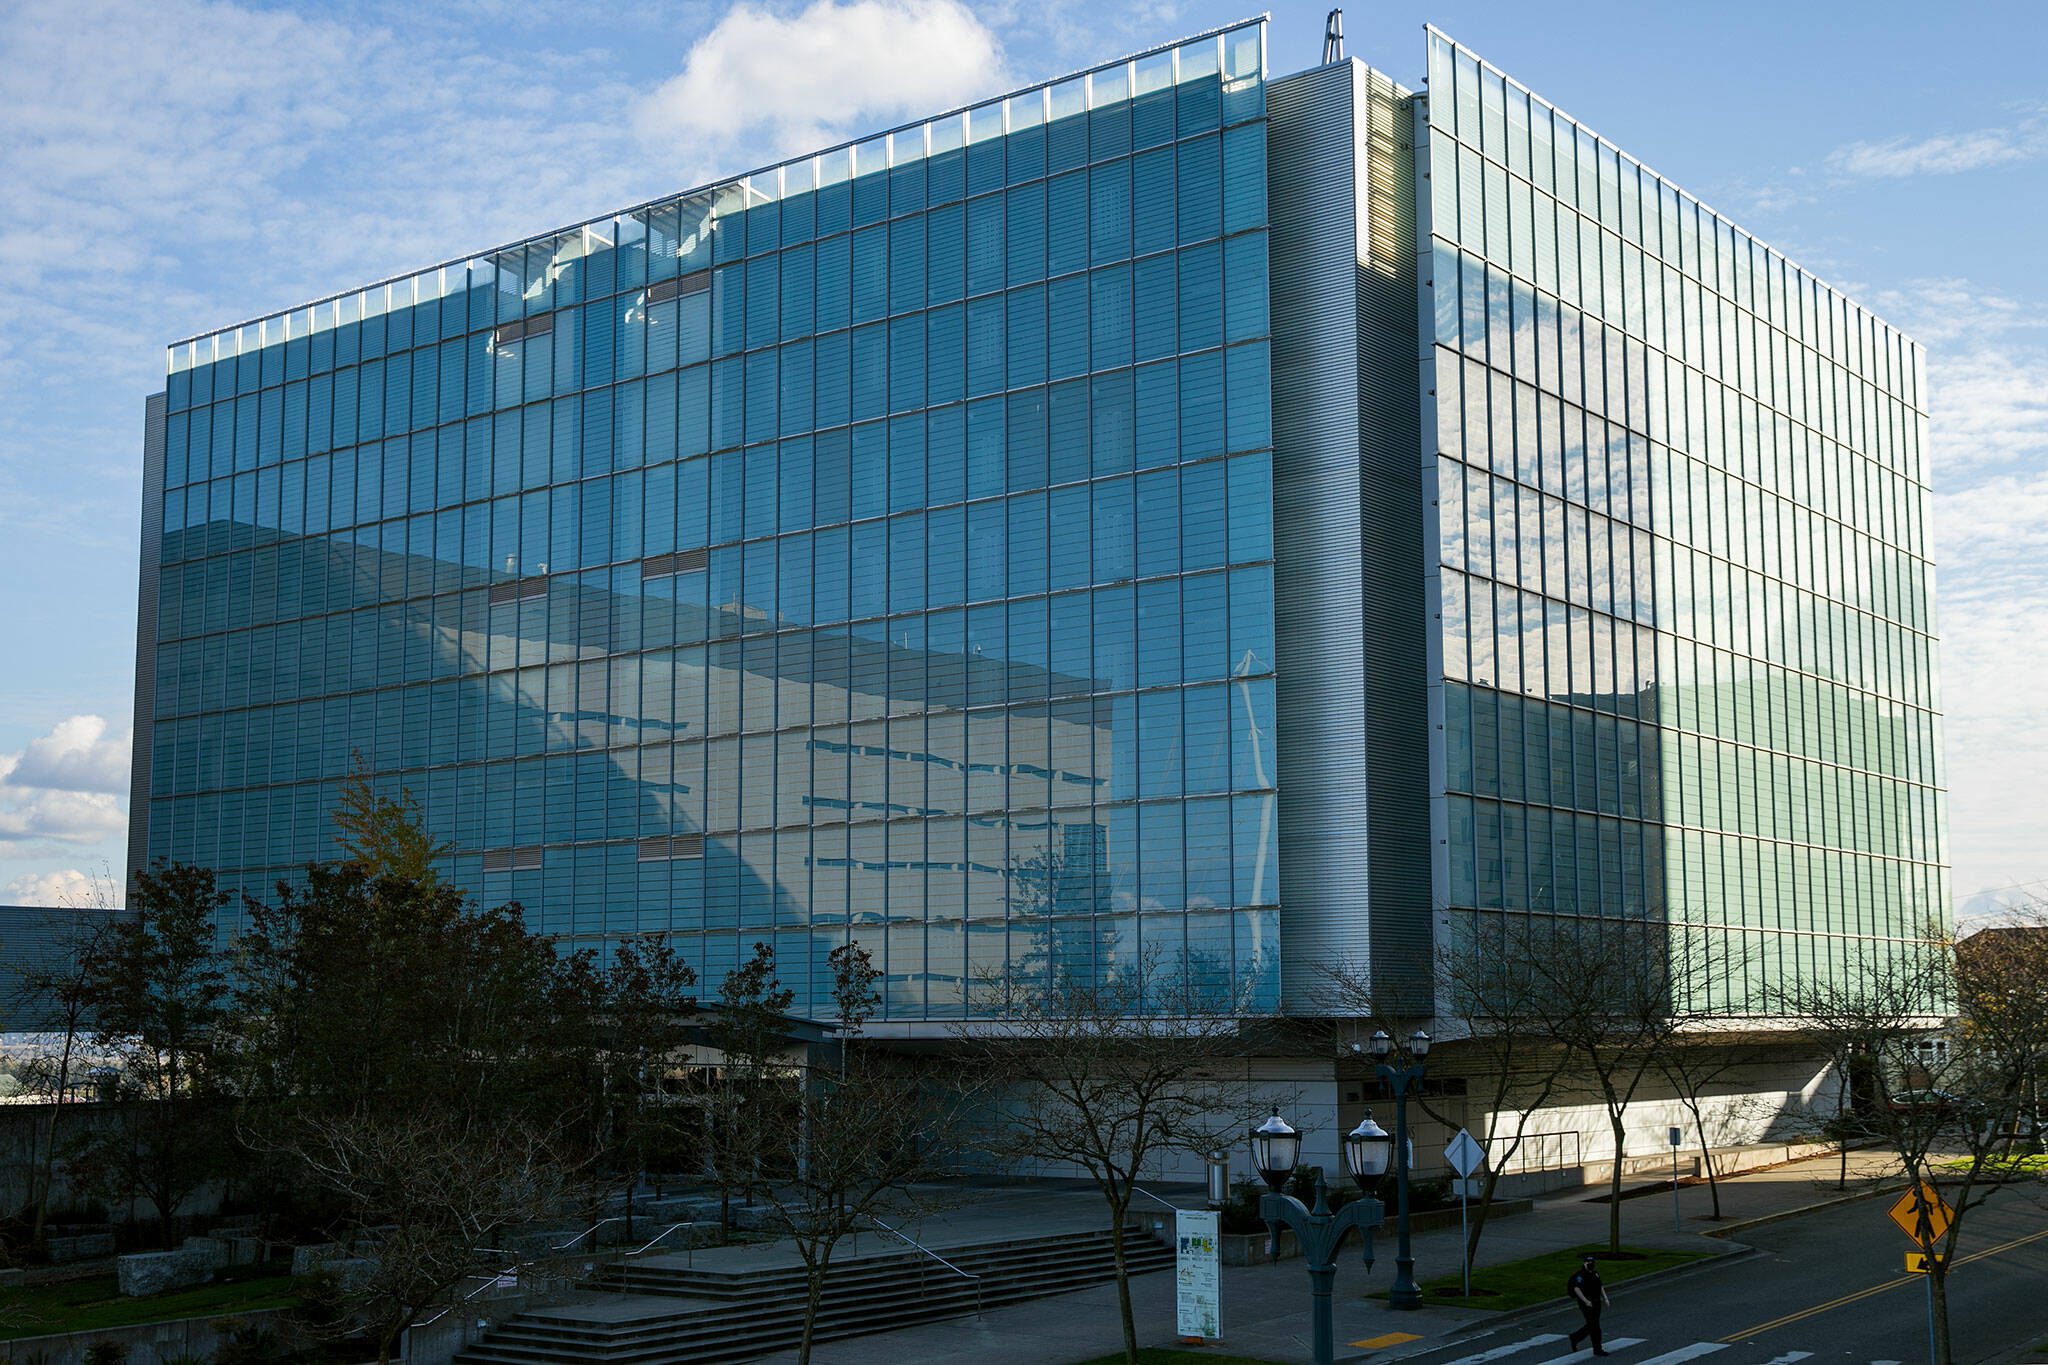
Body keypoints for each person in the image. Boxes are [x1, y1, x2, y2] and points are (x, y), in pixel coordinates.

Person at [1566, 1253, 1611, 1356]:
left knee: (1592, 1324)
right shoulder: (1580, 1275)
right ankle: (1597, 1349)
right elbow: (1576, 1289)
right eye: (1588, 1262)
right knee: (1595, 1326)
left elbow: (1600, 1286)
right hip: (1586, 1303)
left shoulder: (1595, 1274)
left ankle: (1575, 1337)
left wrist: (1605, 1298)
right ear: (1584, 1263)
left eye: (1592, 1262)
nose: (1591, 1264)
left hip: (1596, 1302)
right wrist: (1586, 1301)